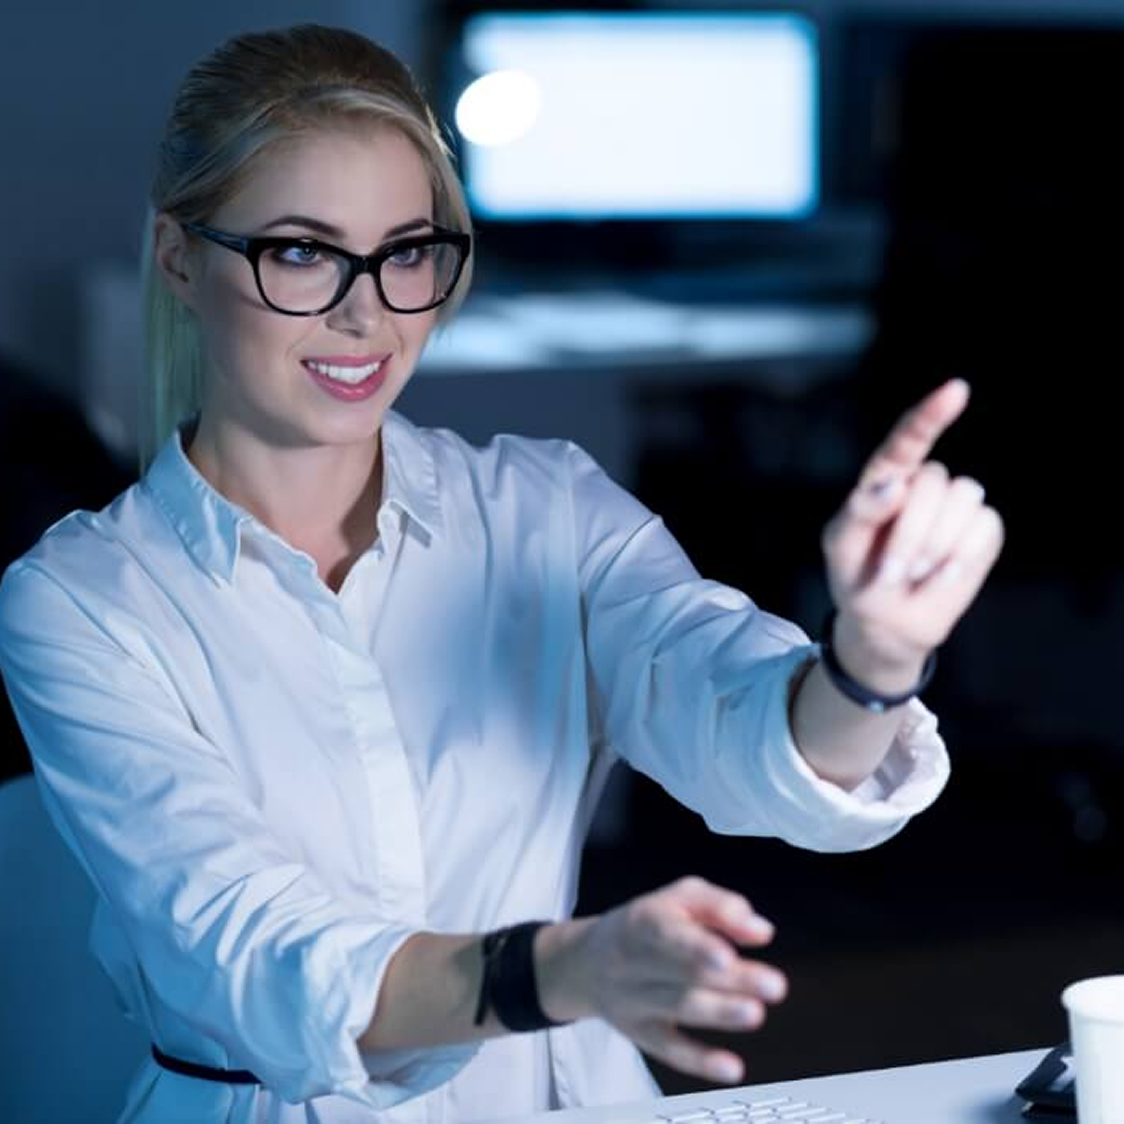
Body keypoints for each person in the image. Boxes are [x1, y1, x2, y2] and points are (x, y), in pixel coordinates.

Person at [0, 23, 1004, 1124]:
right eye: (300, 250)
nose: (365, 309)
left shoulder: (547, 508)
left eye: (408, 251)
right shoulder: (84, 599)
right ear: (181, 257)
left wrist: (872, 656)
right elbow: (259, 947)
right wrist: (561, 970)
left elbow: (737, 720)